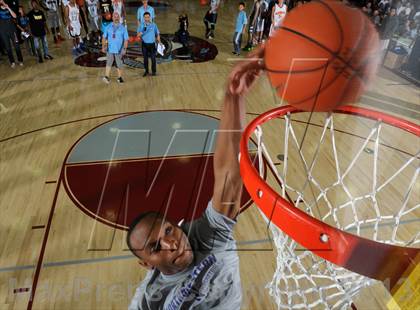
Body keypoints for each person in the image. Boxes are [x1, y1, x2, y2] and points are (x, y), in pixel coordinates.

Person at [127, 43, 265, 310]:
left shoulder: (206, 234)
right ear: (146, 265)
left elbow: (228, 173)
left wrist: (233, 97)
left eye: (168, 229)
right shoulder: (151, 302)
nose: (171, 242)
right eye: (155, 247)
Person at [102, 11, 128, 84]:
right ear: (112, 18)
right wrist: (103, 46)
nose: (116, 18)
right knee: (109, 62)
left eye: (117, 17)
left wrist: (125, 48)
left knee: (119, 64)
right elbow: (104, 37)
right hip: (110, 49)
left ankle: (119, 78)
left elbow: (126, 39)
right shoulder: (108, 27)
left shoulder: (123, 28)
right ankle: (106, 76)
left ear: (119, 18)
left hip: (119, 49)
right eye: (115, 17)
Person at [0, 0, 23, 67]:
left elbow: (15, 16)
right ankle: (12, 62)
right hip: (3, 32)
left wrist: (8, 8)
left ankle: (20, 60)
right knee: (8, 48)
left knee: (17, 46)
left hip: (12, 31)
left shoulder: (10, 8)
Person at [137, 11, 160, 77]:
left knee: (153, 59)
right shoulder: (141, 25)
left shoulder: (154, 25)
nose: (147, 18)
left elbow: (157, 33)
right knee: (145, 59)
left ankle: (154, 71)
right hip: (144, 45)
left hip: (152, 45)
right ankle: (146, 71)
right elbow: (138, 35)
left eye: (148, 17)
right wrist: (143, 30)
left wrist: (159, 40)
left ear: (150, 17)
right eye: (145, 17)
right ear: (143, 18)